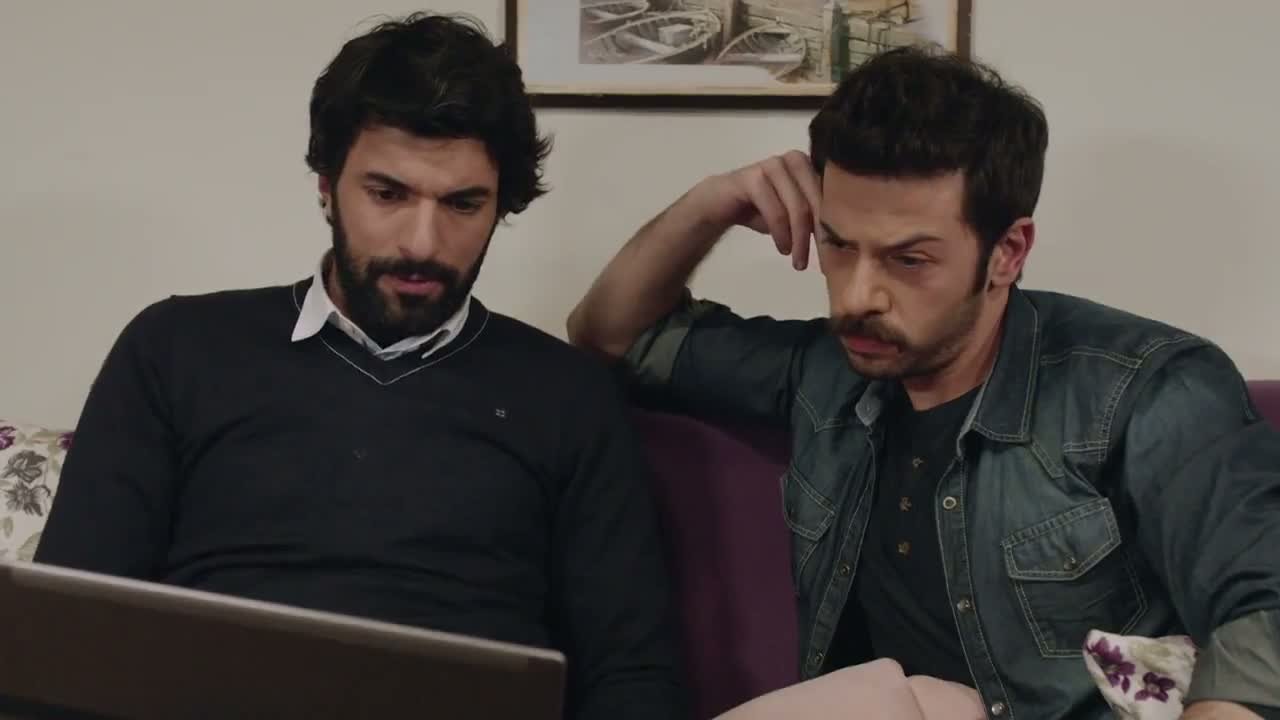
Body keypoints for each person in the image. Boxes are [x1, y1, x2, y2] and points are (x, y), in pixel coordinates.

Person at [568, 45, 1280, 719]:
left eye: (908, 260)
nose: (858, 296)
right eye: (837, 245)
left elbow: (1265, 609)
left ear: (1007, 252)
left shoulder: (1148, 390)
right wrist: (710, 203)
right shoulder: (826, 370)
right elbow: (611, 336)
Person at [34, 12, 686, 719]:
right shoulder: (175, 349)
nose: (422, 243)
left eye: (463, 204)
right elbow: (67, 629)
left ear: (501, 206)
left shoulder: (567, 395)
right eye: (387, 194)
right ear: (326, 185)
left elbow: (634, 673)